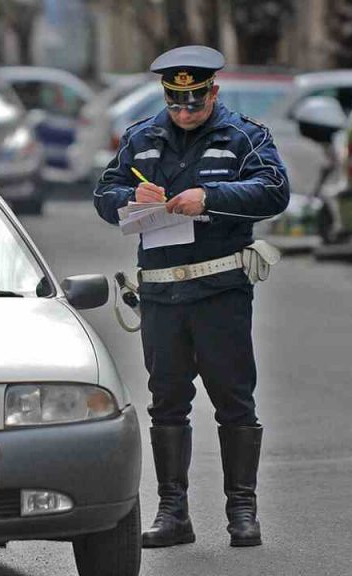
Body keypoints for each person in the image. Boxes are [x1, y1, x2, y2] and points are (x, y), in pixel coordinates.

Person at [93, 45, 289, 548]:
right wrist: (129, 199)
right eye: (176, 102)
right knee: (167, 405)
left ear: (212, 92)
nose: (184, 112)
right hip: (161, 294)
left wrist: (212, 196)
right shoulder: (141, 137)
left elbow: (274, 191)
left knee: (234, 403)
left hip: (220, 291)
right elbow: (104, 194)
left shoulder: (244, 135)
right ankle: (173, 513)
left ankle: (243, 512)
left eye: (194, 102)